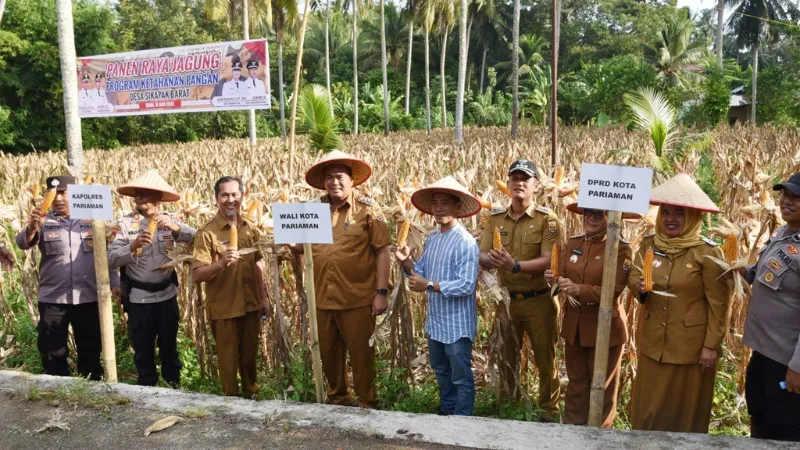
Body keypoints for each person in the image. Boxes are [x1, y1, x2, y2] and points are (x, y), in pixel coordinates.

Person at [627, 173, 732, 433]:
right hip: (653, 342)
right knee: (649, 410)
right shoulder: (650, 244)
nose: (670, 219)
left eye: (679, 213)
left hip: (691, 349)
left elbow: (720, 305)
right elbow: (633, 274)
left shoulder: (707, 253)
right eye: (666, 213)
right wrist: (638, 287)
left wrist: (711, 346)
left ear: (693, 217)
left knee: (684, 414)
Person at [289, 150, 390, 408]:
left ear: (352, 180)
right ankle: (339, 402)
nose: (335, 182)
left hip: (356, 298)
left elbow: (382, 251)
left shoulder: (368, 210)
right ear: (323, 182)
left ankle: (367, 403)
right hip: (322, 297)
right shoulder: (311, 209)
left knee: (361, 356)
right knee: (329, 355)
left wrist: (381, 292)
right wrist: (293, 245)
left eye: (340, 176)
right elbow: (307, 248)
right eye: (330, 177)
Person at [477, 159, 561, 421]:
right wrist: (492, 260)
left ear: (536, 185)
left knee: (545, 361)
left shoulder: (548, 220)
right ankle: (508, 407)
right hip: (506, 302)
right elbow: (483, 254)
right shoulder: (495, 219)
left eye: (526, 179)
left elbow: (550, 259)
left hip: (539, 300)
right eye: (514, 178)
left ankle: (548, 412)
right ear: (509, 184)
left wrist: (514, 265)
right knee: (505, 357)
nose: (519, 183)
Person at [15, 175, 120, 380]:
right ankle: (57, 389)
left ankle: (91, 389)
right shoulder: (43, 220)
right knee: (53, 351)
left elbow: (107, 255)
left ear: (75, 193)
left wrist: (115, 282)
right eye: (54, 194)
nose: (59, 199)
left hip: (88, 297)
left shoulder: (94, 219)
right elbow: (22, 243)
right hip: (53, 299)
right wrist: (32, 227)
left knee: (90, 349)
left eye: (63, 193)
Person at [544, 203, 637, 428]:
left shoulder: (621, 248)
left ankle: (600, 436)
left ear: (611, 217)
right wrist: (554, 279)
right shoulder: (574, 243)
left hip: (605, 328)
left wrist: (578, 289)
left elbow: (613, 289)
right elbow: (563, 275)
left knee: (602, 387)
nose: (592, 218)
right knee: (576, 384)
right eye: (589, 213)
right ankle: (572, 432)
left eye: (599, 214)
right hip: (574, 327)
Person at [396, 176, 481, 416]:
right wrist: (406, 262)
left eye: (445, 203)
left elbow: (466, 285)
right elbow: (420, 271)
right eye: (435, 203)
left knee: (461, 376)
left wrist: (429, 286)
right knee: (441, 371)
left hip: (456, 324)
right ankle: (446, 413)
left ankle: (462, 420)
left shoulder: (464, 242)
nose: (439, 208)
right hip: (436, 322)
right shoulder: (433, 238)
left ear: (457, 208)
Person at [108, 169, 195, 388]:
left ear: (158, 198)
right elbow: (109, 258)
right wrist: (133, 245)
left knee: (169, 347)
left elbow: (198, 238)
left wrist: (176, 229)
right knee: (143, 349)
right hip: (139, 299)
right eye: (137, 193)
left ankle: (173, 385)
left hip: (167, 295)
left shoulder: (171, 220)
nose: (139, 197)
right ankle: (147, 390)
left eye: (144, 193)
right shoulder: (125, 225)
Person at [192, 176, 270, 398]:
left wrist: (263, 298)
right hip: (225, 307)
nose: (230, 200)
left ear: (242, 197)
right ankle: (231, 402)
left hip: (251, 304)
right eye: (224, 195)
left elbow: (257, 263)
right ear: (216, 199)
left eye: (234, 194)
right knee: (228, 362)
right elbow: (197, 275)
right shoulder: (206, 233)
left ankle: (252, 397)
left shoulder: (250, 228)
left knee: (249, 358)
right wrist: (222, 263)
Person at [742, 172, 800, 442]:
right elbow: (763, 273)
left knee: (784, 429)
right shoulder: (781, 233)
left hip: (786, 360)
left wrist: (797, 367)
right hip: (762, 352)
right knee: (760, 416)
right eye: (785, 195)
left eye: (796, 197)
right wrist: (739, 269)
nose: (787, 201)